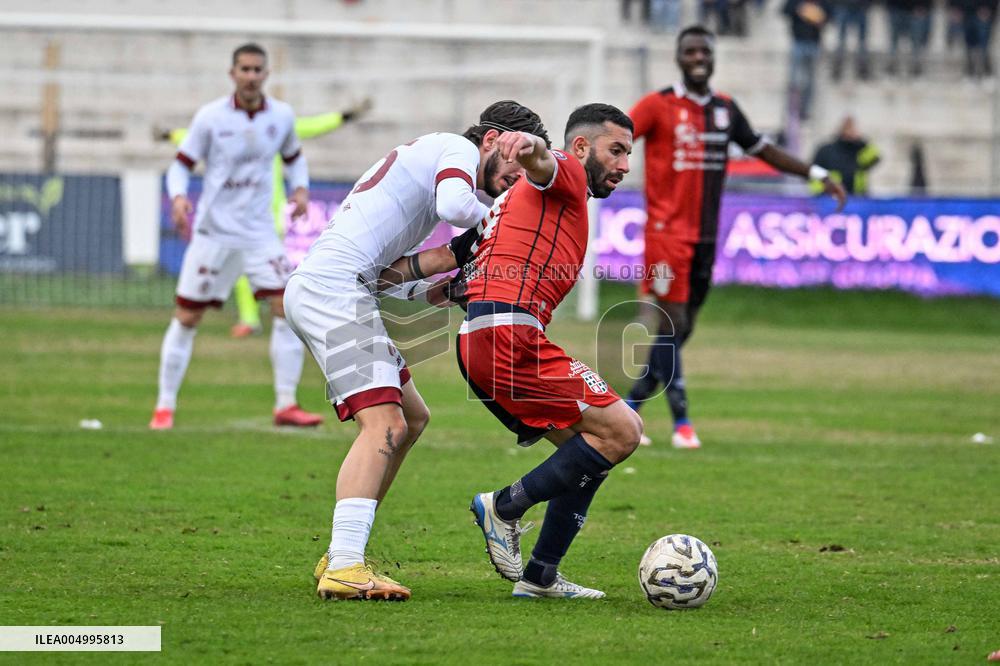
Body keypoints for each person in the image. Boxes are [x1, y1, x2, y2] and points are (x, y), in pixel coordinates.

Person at [286, 101, 551, 601]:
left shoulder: (427, 170)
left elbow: (390, 276)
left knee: (412, 417)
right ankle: (345, 564)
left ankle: (345, 551)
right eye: (518, 162)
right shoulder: (453, 148)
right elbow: (457, 209)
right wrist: (502, 227)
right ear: (492, 139)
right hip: (332, 291)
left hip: (339, 288)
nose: (518, 179)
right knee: (384, 425)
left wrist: (448, 284)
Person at [382, 104, 643, 599]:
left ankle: (541, 577)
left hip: (485, 338)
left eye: (629, 153)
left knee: (585, 454)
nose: (625, 164)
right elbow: (547, 161)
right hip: (508, 337)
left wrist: (380, 278)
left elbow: (446, 261)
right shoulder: (563, 175)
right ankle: (504, 506)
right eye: (617, 150)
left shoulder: (516, 203)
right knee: (623, 430)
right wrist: (532, 149)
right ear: (582, 147)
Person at [624, 25, 847, 449]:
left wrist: (815, 172)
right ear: (678, 57)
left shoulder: (725, 109)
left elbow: (762, 149)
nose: (697, 57)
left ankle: (631, 404)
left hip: (706, 236)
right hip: (665, 234)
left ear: (712, 57)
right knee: (675, 323)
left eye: (704, 50)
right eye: (689, 50)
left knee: (682, 330)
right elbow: (620, 135)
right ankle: (682, 422)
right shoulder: (658, 105)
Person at [149, 43, 323, 430]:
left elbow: (295, 160)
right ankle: (164, 407)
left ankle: (285, 404)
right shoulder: (210, 118)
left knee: (286, 308)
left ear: (266, 74)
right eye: (244, 69)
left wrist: (301, 190)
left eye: (257, 69)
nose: (250, 75)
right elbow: (179, 167)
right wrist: (178, 198)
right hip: (215, 234)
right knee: (187, 316)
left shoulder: (281, 115)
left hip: (260, 234)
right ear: (233, 74)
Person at [155, 100, 373, 338]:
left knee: (265, 271)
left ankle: (282, 317)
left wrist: (341, 117)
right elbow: (195, 139)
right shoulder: (232, 130)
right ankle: (261, 318)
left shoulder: (276, 128)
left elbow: (312, 126)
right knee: (248, 271)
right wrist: (171, 135)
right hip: (241, 215)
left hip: (266, 215)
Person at [783, 0, 833, 119]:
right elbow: (785, 10)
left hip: (814, 43)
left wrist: (820, 17)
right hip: (798, 41)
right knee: (794, 79)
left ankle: (804, 109)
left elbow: (830, 16)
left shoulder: (822, 3)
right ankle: (792, 107)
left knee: (810, 81)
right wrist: (800, 9)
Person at [811, 116, 881, 196]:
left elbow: (875, 156)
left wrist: (860, 141)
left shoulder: (859, 150)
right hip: (832, 198)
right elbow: (814, 173)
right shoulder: (826, 150)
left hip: (858, 198)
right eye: (847, 128)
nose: (850, 131)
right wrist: (820, 194)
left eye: (852, 128)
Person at [831, 0, 871, 81]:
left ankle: (862, 67)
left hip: (860, 8)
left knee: (862, 42)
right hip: (843, 7)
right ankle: (837, 67)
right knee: (841, 40)